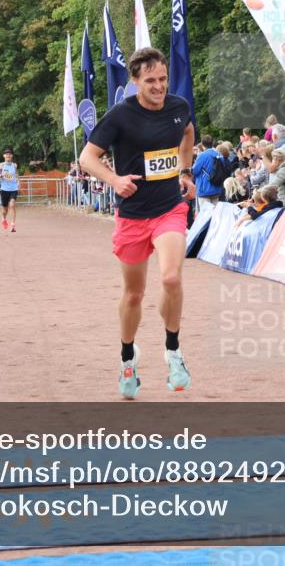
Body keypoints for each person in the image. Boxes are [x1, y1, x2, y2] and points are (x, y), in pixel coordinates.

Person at [78, 47, 196, 399]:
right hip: (132, 216)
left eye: (162, 79)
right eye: (150, 81)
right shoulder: (119, 116)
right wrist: (114, 181)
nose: (159, 87)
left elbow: (188, 133)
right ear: (135, 81)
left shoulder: (178, 107)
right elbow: (87, 157)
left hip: (169, 209)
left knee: (172, 276)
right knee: (134, 295)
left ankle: (173, 351)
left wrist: (185, 170)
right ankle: (128, 357)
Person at [191, 135, 223, 210]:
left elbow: (195, 171)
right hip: (217, 187)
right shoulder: (219, 154)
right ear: (212, 143)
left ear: (202, 144)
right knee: (215, 214)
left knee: (206, 215)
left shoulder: (202, 155)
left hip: (204, 189)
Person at [0, 148, 19, 232]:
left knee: (12, 205)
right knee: (5, 209)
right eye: (6, 154)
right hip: (4, 190)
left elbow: (16, 175)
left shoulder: (14, 165)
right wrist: (1, 175)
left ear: (12, 156)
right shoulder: (1, 165)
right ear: (4, 156)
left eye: (10, 154)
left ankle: (13, 225)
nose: (8, 155)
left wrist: (19, 182)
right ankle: (3, 219)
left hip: (13, 189)